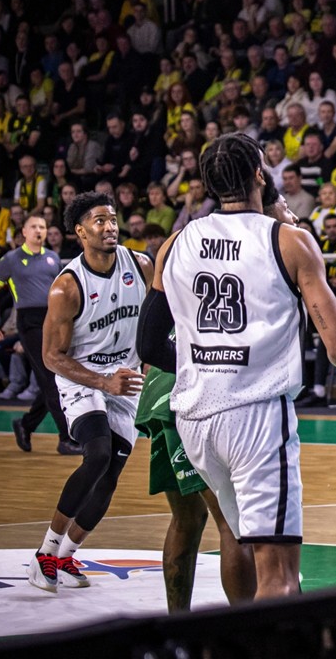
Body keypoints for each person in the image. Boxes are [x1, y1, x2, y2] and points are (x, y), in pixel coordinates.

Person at [142, 133, 336, 599]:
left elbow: (148, 342)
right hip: (256, 416)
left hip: (197, 419)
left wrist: (202, 363)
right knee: (279, 573)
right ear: (260, 175)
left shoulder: (175, 243)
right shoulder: (290, 242)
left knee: (239, 537)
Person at [134, 181, 299, 611]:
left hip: (167, 389)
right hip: (196, 387)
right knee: (233, 524)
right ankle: (244, 632)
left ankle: (179, 625)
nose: (293, 218)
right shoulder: (264, 250)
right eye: (286, 208)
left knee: (187, 519)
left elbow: (150, 339)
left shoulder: (195, 244)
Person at [26, 192, 151, 593]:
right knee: (96, 453)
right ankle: (45, 553)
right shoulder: (67, 287)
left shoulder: (142, 266)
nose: (110, 226)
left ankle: (66, 556)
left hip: (125, 377)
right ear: (80, 231)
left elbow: (161, 317)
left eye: (113, 219)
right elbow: (50, 356)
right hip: (83, 377)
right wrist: (101, 382)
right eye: (99, 221)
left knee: (111, 474)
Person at [0, 212, 77, 455]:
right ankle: (66, 438)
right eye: (34, 226)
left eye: (43, 227)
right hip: (29, 322)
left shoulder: (53, 258)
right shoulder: (11, 259)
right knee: (51, 378)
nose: (39, 230)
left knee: (53, 379)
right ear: (24, 232)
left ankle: (25, 425)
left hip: (54, 318)